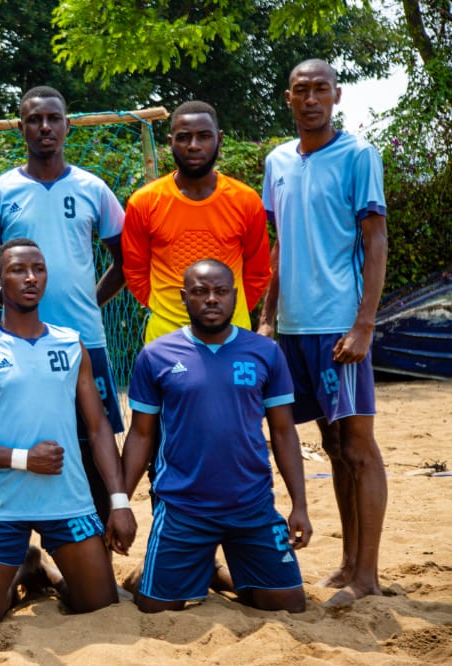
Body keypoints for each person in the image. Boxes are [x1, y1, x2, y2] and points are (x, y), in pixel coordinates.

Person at [0, 238, 137, 624]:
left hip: (68, 501)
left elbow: (99, 429)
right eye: (18, 270)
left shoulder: (71, 343)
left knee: (98, 609)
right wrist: (24, 459)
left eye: (38, 269)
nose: (30, 278)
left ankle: (48, 575)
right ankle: (26, 567)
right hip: (3, 506)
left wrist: (119, 502)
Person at [258, 58, 388, 608]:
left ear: (336, 96)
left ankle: (368, 576)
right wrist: (268, 317)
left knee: (358, 448)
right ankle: (348, 563)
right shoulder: (277, 161)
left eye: (320, 89)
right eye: (301, 90)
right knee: (332, 446)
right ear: (288, 98)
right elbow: (279, 243)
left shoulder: (358, 155)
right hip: (292, 327)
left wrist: (364, 324)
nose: (311, 98)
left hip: (339, 326)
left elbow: (376, 240)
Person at [0, 85, 126, 527]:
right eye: (34, 119)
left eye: (53, 118)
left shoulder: (93, 188)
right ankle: (22, 549)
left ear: (67, 125)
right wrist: (12, 305)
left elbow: (125, 261)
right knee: (22, 443)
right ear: (20, 127)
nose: (44, 127)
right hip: (18, 345)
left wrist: (89, 302)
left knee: (93, 444)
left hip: (83, 341)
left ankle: (97, 543)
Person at [122, 259, 311, 614]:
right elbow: (141, 435)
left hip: (251, 505)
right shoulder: (156, 355)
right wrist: (121, 503)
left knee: (288, 605)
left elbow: (284, 432)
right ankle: (156, 573)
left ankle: (215, 573)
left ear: (235, 297)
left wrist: (299, 505)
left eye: (221, 291)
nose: (211, 299)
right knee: (156, 609)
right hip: (183, 508)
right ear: (184, 297)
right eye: (201, 291)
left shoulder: (265, 352)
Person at [122, 100, 270, 343]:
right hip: (167, 339)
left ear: (219, 139)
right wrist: (169, 309)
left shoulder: (245, 200)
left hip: (231, 338)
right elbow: (135, 272)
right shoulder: (144, 202)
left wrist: (224, 314)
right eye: (183, 137)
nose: (193, 145)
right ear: (170, 142)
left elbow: (258, 272)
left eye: (204, 136)